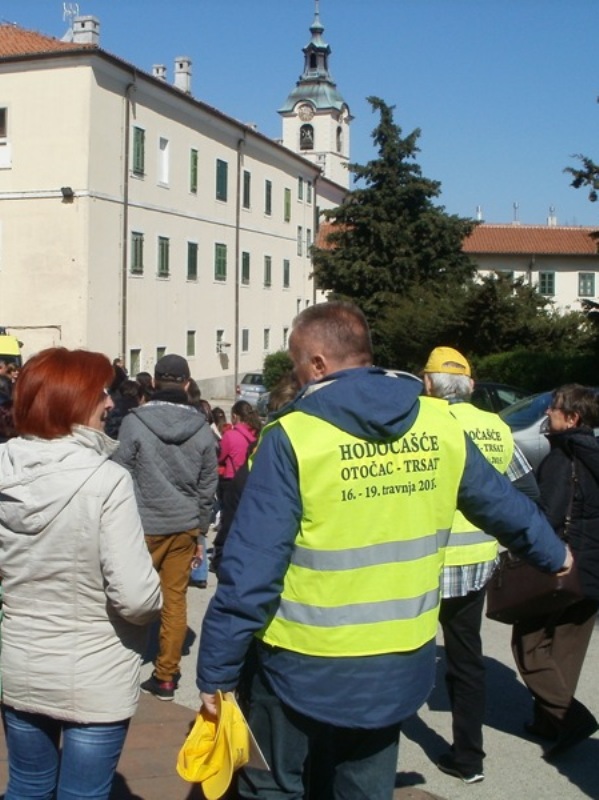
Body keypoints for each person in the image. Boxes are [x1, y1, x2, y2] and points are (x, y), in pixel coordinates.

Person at [196, 301, 570, 800]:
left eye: (296, 363)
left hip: (302, 662)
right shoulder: (437, 425)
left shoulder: (293, 436)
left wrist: (216, 669)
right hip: (396, 662)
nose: (296, 375)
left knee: (274, 787)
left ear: (319, 365)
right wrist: (555, 555)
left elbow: (252, 570)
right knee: (363, 789)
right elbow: (503, 503)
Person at [0, 347, 162, 800]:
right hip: (95, 674)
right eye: (101, 393)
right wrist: (159, 596)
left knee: (28, 787)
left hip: (20, 666)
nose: (110, 403)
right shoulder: (106, 481)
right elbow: (136, 597)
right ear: (72, 402)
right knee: (83, 794)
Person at [423, 346, 539, 784]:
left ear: (429, 384)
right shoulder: (496, 426)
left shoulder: (424, 422)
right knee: (467, 659)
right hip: (476, 563)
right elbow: (526, 496)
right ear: (471, 385)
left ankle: (368, 753)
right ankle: (469, 757)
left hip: (423, 560)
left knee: (398, 656)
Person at [114, 354, 218, 701]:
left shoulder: (135, 422)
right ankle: (166, 677)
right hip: (183, 526)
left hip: (139, 525)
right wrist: (201, 531)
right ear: (187, 384)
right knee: (175, 601)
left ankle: (119, 669)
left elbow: (120, 471)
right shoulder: (203, 428)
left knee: (126, 596)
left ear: (154, 383)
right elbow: (207, 486)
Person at [511, 383, 599, 760]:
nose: (548, 414)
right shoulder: (594, 453)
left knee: (528, 646)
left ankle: (573, 719)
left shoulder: (563, 458)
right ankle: (550, 724)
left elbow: (547, 519)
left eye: (553, 409)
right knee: (565, 649)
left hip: (565, 568)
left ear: (573, 418)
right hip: (595, 573)